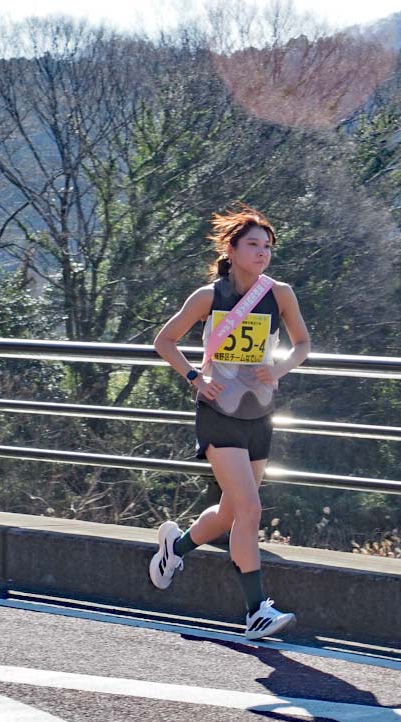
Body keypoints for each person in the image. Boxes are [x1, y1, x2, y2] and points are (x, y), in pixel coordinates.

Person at [149, 205, 311, 639]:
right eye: (253, 245)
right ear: (232, 250)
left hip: (259, 414)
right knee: (250, 509)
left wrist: (279, 369)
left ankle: (175, 547)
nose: (262, 253)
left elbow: (302, 344)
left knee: (229, 512)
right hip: (218, 414)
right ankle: (257, 610)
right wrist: (195, 377)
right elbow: (164, 340)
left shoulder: (280, 294)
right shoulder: (209, 297)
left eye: (267, 246)